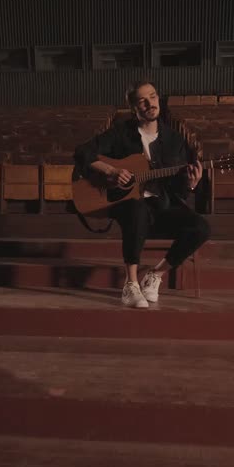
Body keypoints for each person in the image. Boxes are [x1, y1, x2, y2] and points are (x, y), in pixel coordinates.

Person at [74, 81, 211, 308]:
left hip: (161, 206)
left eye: (153, 97)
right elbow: (82, 152)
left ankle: (155, 274)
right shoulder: (121, 134)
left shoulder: (174, 140)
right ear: (133, 107)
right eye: (142, 100)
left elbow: (177, 191)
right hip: (126, 205)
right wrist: (111, 171)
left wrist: (191, 184)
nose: (150, 103)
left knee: (201, 228)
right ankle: (131, 284)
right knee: (137, 206)